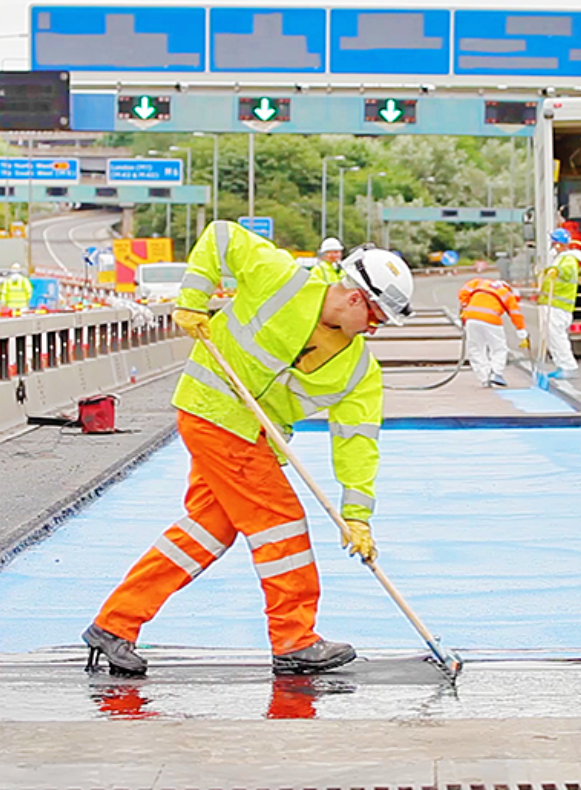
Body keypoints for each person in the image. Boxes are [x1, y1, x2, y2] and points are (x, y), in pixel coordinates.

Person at [83, 221, 414, 675]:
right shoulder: (284, 278)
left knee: (208, 531)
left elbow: (358, 441)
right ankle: (295, 640)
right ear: (356, 298)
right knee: (281, 524)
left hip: (250, 435)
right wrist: (193, 300)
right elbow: (221, 236)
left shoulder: (359, 371)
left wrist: (357, 517)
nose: (373, 331)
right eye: (375, 319)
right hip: (214, 411)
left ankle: (114, 626)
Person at [457, 277, 529, 387]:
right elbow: (515, 314)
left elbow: (463, 292)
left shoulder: (479, 283)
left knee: (476, 348)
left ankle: (484, 377)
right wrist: (522, 332)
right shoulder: (507, 294)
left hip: (471, 318)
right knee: (498, 348)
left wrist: (465, 306)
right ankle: (496, 374)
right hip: (492, 320)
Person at [539, 228, 581, 379]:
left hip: (559, 305)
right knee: (552, 336)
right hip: (553, 303)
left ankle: (568, 366)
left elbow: (567, 271)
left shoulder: (569, 259)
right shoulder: (560, 258)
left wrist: (557, 271)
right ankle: (561, 365)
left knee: (557, 335)